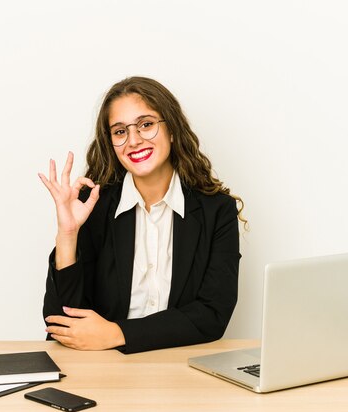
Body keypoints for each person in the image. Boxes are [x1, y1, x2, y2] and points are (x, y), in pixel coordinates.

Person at [38, 76, 245, 354]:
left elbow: (212, 315)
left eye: (146, 125)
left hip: (180, 368)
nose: (133, 141)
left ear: (172, 129)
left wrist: (117, 333)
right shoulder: (93, 207)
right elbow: (60, 322)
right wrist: (67, 235)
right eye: (120, 131)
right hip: (103, 369)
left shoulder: (217, 211)